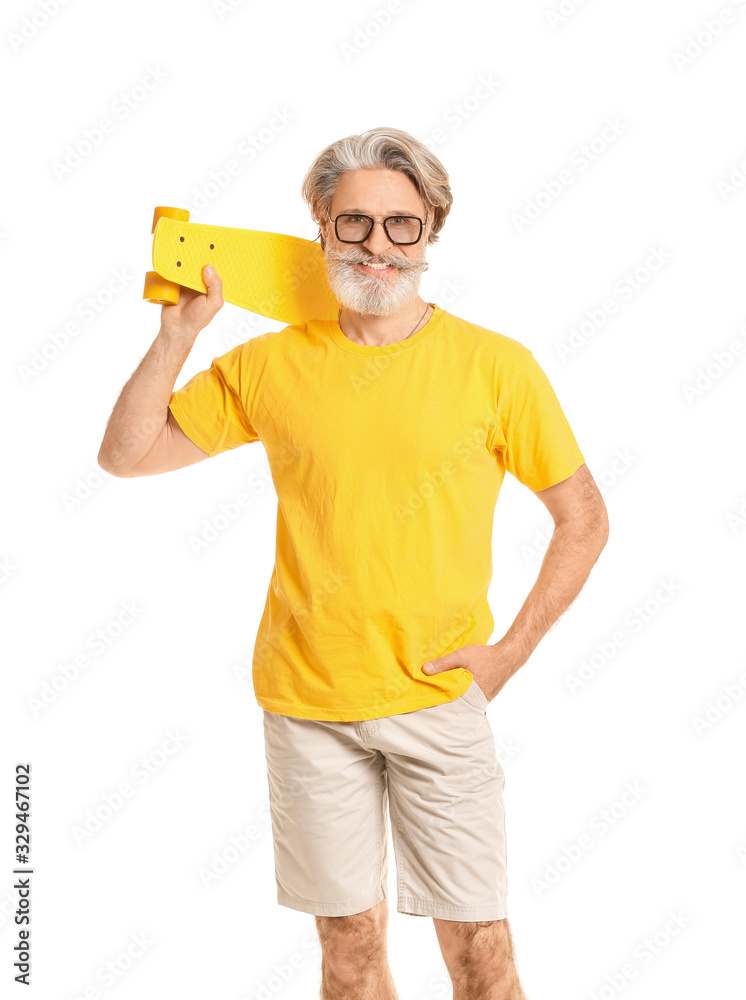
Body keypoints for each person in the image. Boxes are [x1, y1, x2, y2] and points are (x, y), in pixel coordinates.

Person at [98, 126, 609, 999]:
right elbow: (128, 454)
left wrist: (509, 654)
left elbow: (584, 519)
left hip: (439, 699)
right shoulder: (268, 364)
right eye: (356, 222)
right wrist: (178, 334)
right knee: (347, 950)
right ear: (322, 227)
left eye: (401, 224)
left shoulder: (495, 367)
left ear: (432, 227)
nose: (378, 244)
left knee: (481, 952)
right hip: (307, 704)